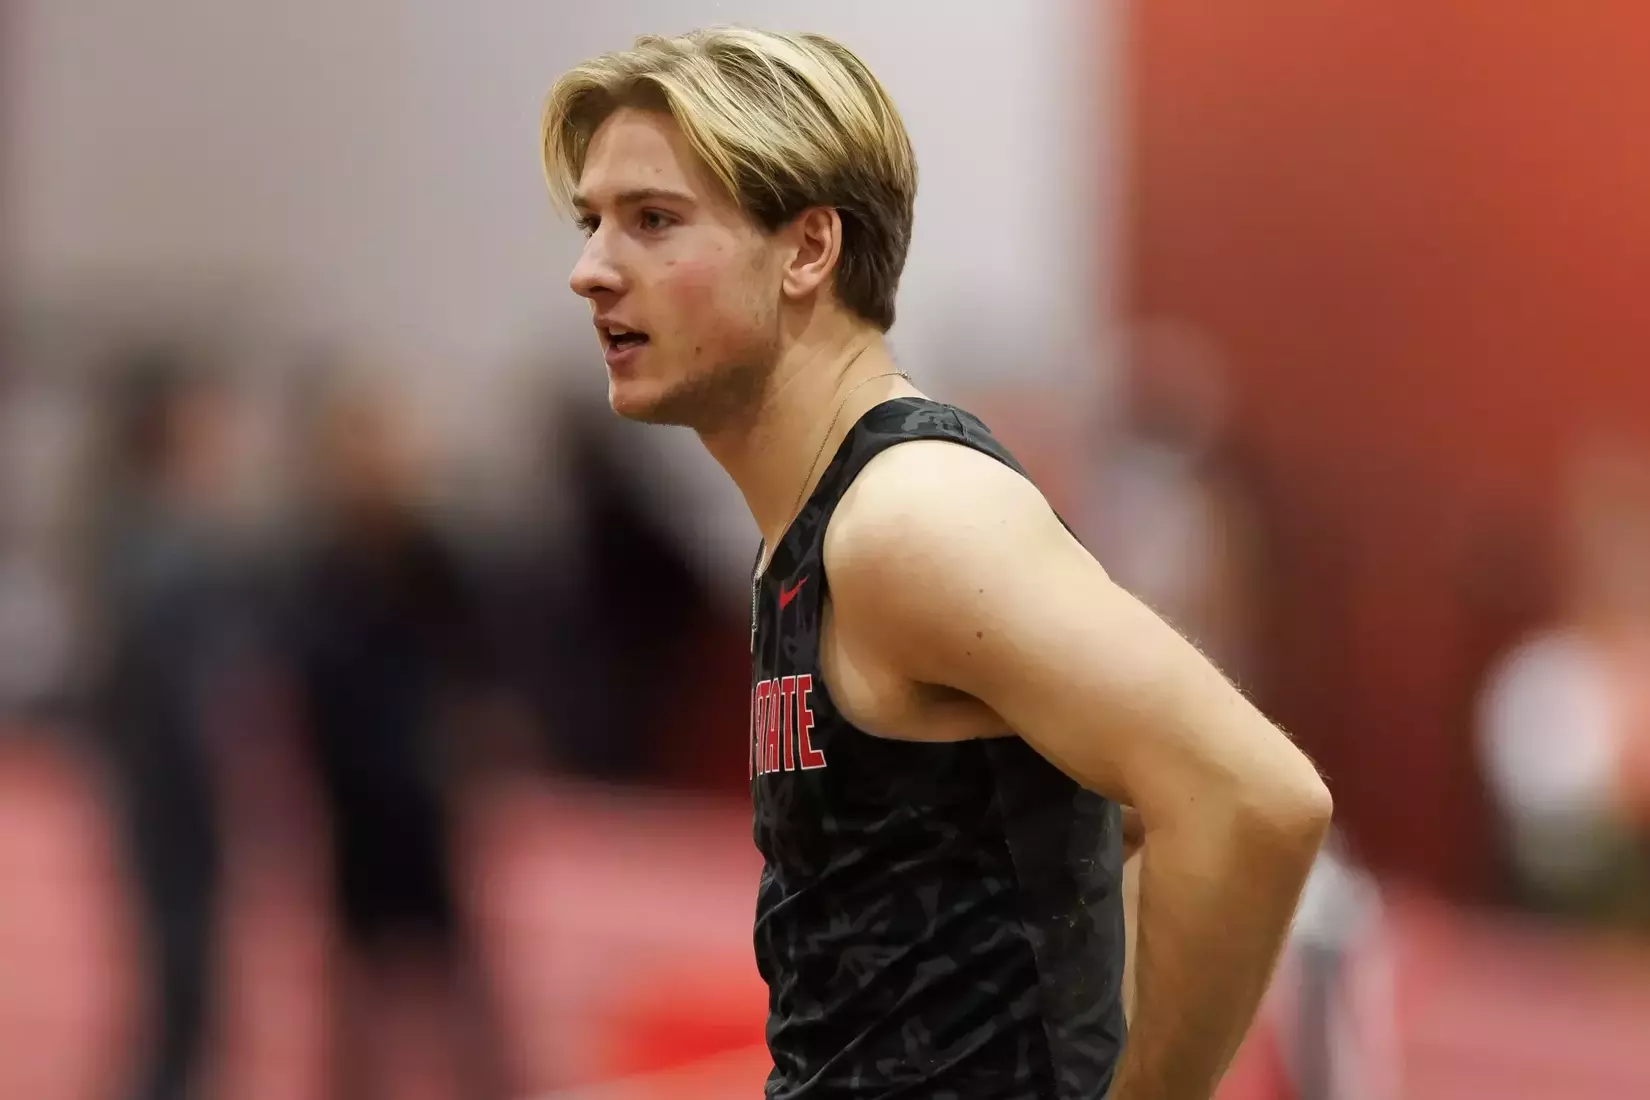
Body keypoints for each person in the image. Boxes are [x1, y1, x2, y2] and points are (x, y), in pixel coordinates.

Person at [541, 27, 1332, 1099]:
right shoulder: (817, 525)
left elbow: (1254, 798)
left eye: (653, 220)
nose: (591, 268)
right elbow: (1113, 817)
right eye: (592, 221)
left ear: (808, 249)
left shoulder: (911, 520)